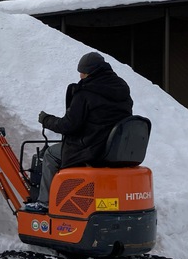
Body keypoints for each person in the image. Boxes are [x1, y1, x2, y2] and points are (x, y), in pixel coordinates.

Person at [31, 51, 133, 213]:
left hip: (91, 149)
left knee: (50, 154)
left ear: (91, 72)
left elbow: (68, 126)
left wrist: (46, 120)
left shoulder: (85, 92)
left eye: (83, 72)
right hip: (114, 149)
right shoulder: (122, 89)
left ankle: (44, 203)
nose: (80, 76)